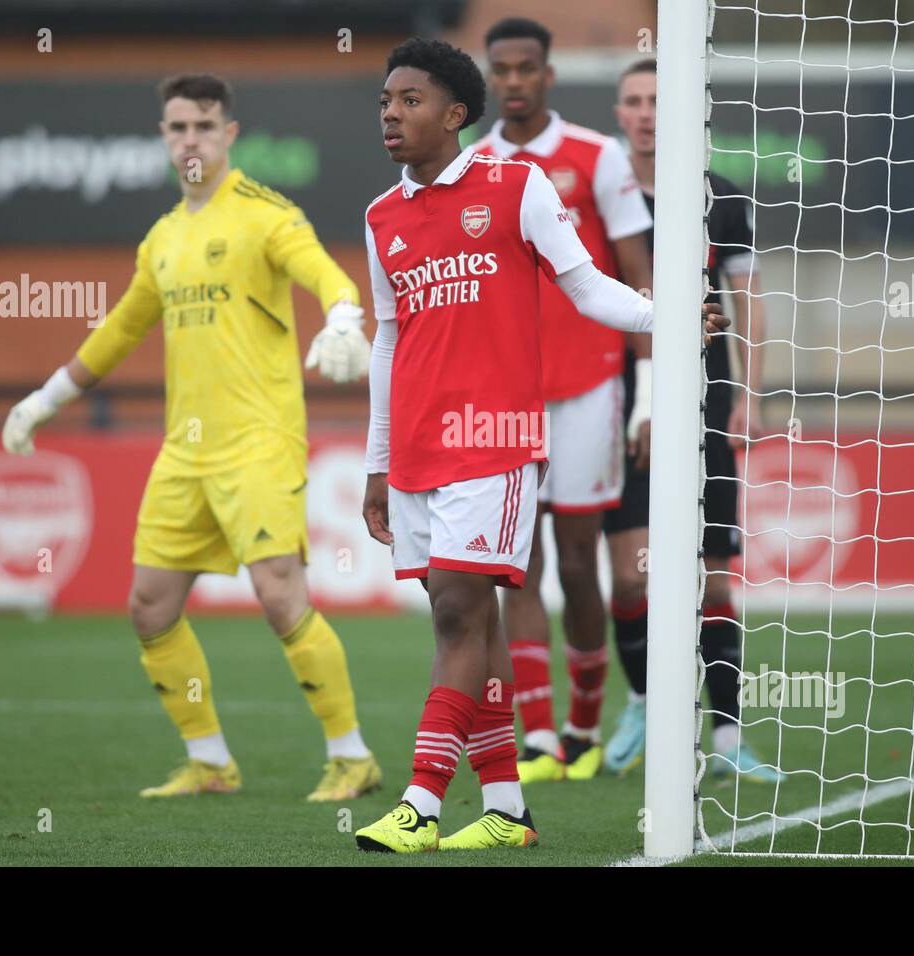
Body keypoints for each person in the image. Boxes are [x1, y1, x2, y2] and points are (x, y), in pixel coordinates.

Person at [354, 38, 718, 853]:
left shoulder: (514, 187)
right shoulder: (381, 217)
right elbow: (387, 342)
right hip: (415, 448)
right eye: (384, 100)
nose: (390, 113)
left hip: (497, 439)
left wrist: (671, 316)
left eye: (409, 100)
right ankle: (509, 805)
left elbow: (587, 285)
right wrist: (379, 462)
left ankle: (419, 800)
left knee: (457, 607)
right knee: (468, 618)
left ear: (455, 115)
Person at [0, 73, 383, 802]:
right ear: (164, 138)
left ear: (230, 134)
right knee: (149, 606)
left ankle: (352, 755)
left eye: (204, 126)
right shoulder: (164, 239)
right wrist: (43, 399)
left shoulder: (267, 214)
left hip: (260, 440)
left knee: (279, 597)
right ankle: (211, 762)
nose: (191, 140)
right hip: (185, 451)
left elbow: (328, 276)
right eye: (177, 128)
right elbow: (119, 332)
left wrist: (343, 319)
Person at [471, 17, 655, 783]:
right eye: (501, 69)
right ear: (489, 77)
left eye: (527, 68)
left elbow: (637, 274)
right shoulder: (470, 166)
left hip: (588, 390)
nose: (513, 81)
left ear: (548, 75)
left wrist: (647, 393)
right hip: (503, 395)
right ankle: (541, 734)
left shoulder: (597, 155)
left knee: (581, 564)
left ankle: (583, 724)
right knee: (515, 565)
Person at [603, 58, 777, 782]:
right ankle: (644, 700)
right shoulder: (598, 200)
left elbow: (750, 300)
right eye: (633, 101)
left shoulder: (721, 199)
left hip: (705, 398)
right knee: (630, 575)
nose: (646, 113)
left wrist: (752, 394)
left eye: (657, 100)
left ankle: (729, 737)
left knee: (714, 576)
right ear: (619, 113)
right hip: (614, 398)